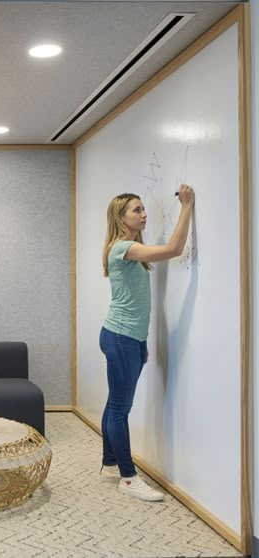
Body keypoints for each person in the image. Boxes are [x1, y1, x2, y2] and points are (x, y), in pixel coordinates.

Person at [99, 183, 195, 501]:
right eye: (136, 210)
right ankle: (128, 477)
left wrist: (141, 342)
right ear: (121, 217)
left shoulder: (131, 249)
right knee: (119, 409)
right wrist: (186, 207)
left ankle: (111, 462)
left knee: (115, 403)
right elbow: (173, 250)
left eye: (143, 208)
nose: (144, 214)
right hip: (120, 336)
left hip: (131, 338)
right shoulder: (121, 248)